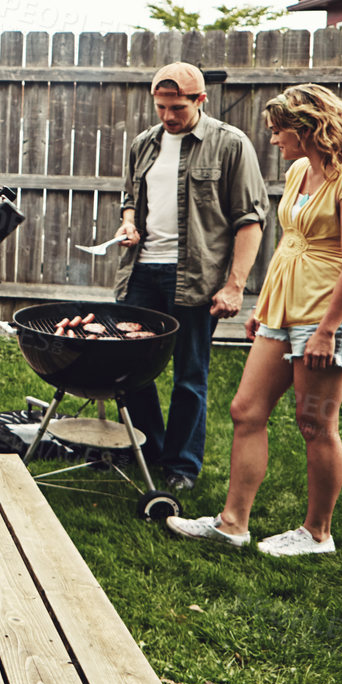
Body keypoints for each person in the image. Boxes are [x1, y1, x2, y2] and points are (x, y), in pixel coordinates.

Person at [167, 85, 342, 555]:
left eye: (280, 131)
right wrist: (265, 305)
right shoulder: (301, 170)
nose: (275, 141)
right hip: (284, 307)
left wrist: (325, 332)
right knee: (246, 410)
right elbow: (290, 243)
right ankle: (232, 524)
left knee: (315, 424)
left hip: (329, 313)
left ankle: (317, 533)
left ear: (307, 129)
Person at [111, 63, 266, 491]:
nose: (168, 116)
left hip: (196, 277)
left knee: (189, 376)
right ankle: (149, 448)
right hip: (141, 273)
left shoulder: (230, 144)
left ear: (200, 101)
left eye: (176, 107)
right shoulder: (144, 143)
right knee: (130, 368)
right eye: (160, 107)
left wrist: (234, 285)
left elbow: (250, 220)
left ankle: (181, 467)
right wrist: (128, 224)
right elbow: (130, 197)